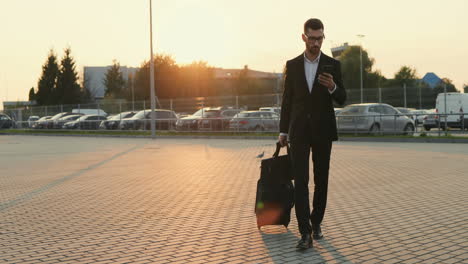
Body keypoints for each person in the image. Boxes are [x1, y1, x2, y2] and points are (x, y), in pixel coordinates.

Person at [278, 18, 346, 249]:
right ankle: (304, 232)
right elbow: (287, 101)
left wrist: (332, 87)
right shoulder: (293, 64)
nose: (317, 43)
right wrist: (282, 131)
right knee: (301, 181)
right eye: (313, 38)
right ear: (304, 37)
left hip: (323, 131)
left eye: (320, 38)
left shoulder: (332, 65)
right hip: (298, 131)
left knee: (321, 180)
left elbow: (343, 98)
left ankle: (316, 222)